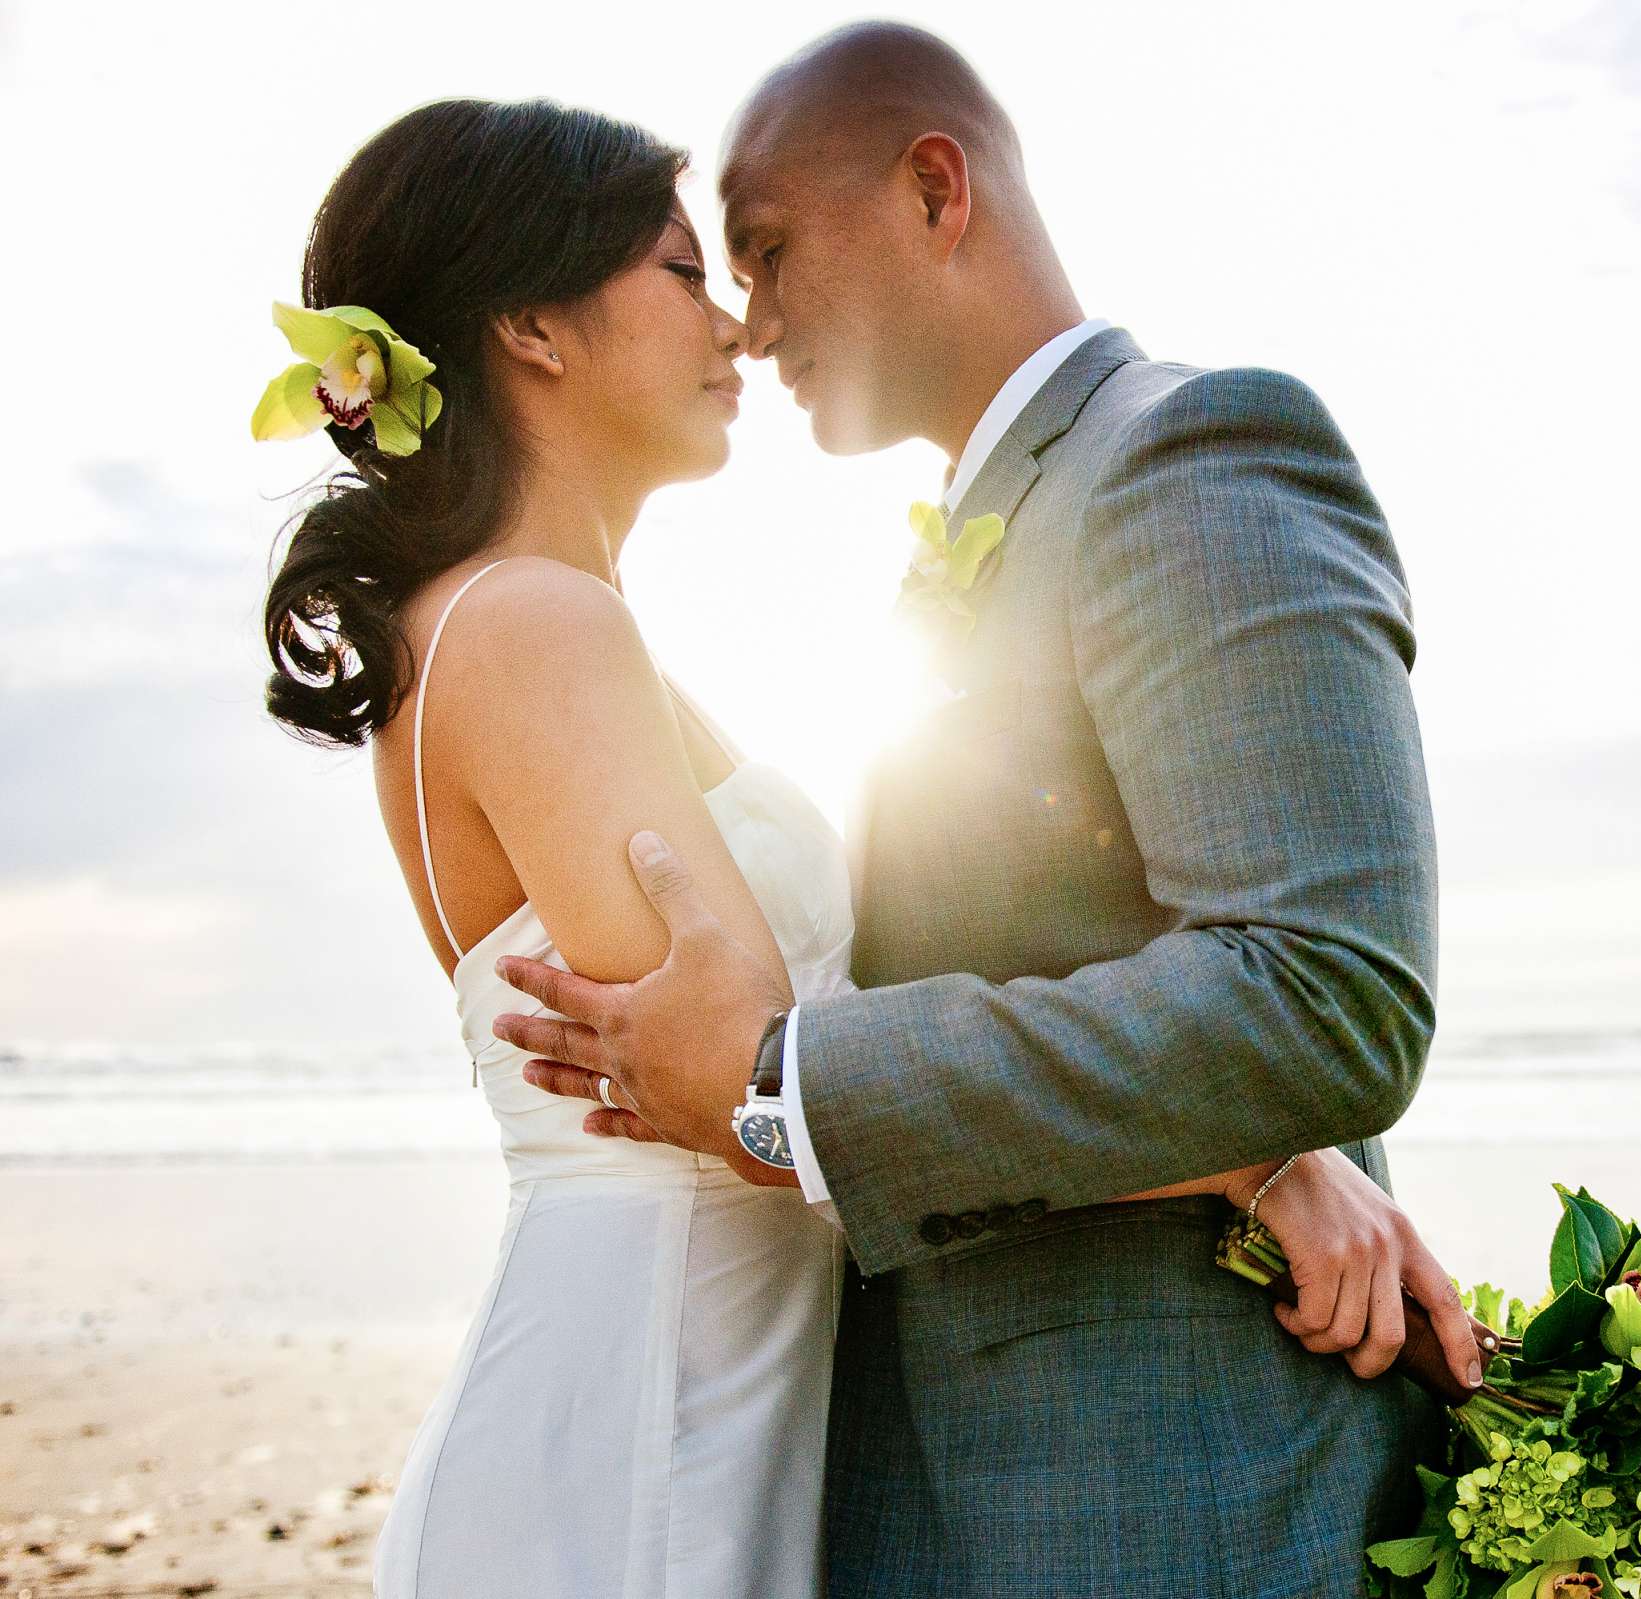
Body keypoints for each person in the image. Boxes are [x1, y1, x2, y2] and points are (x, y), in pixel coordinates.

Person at [256, 83, 1471, 1599]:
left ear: (936, 191)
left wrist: (1258, 1141)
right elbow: (743, 1072)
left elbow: (776, 1067)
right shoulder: (531, 626)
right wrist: (1247, 1160)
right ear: (534, 329)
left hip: (742, 1395)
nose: (740, 324)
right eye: (696, 270)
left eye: (750, 259)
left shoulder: (571, 633)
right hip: (645, 1426)